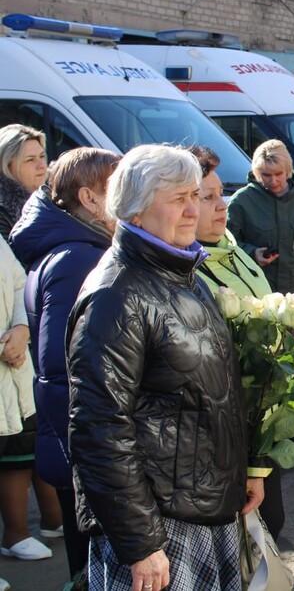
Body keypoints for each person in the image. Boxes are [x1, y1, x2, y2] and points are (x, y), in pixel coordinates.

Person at [66, 145, 264, 591]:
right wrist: (140, 543)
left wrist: (241, 474)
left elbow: (204, 395)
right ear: (135, 210)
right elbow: (99, 429)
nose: (194, 209)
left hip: (203, 508)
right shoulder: (116, 294)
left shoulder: (180, 273)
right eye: (178, 198)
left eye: (196, 194)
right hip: (160, 525)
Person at [8, 147, 121, 580]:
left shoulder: (77, 247)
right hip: (89, 457)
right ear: (89, 199)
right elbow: (62, 369)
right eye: (118, 187)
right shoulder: (78, 257)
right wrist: (91, 459)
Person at [189, 146, 284, 539]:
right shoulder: (185, 271)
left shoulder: (229, 247)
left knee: (270, 523)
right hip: (224, 429)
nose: (221, 206)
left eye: (220, 194)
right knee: (245, 532)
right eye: (205, 197)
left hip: (260, 416)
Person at [0, 235, 50, 563]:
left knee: (19, 448)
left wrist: (21, 328)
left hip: (12, 366)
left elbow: (19, 282)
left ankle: (17, 535)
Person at [227, 139, 294, 313]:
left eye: (279, 174)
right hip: (258, 293)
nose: (273, 181)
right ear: (256, 173)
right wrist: (252, 253)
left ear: (288, 171)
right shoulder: (242, 201)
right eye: (266, 175)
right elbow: (227, 244)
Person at [0, 124, 47, 238]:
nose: (41, 165)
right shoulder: (3, 213)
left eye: (42, 156)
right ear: (7, 166)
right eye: (30, 160)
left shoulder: (55, 198)